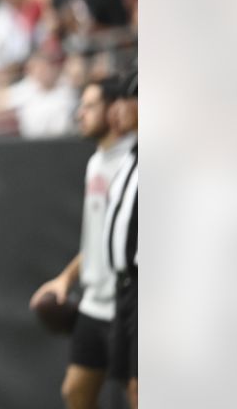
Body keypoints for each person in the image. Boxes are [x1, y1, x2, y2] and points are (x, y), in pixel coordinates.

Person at [29, 76, 134, 408]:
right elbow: (99, 237)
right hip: (94, 302)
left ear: (115, 110)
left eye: (90, 106)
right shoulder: (95, 163)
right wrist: (66, 278)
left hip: (125, 302)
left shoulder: (134, 161)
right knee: (75, 391)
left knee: (137, 393)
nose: (80, 114)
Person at [104, 71, 138, 408]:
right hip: (124, 289)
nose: (117, 110)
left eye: (125, 102)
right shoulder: (129, 158)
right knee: (131, 387)